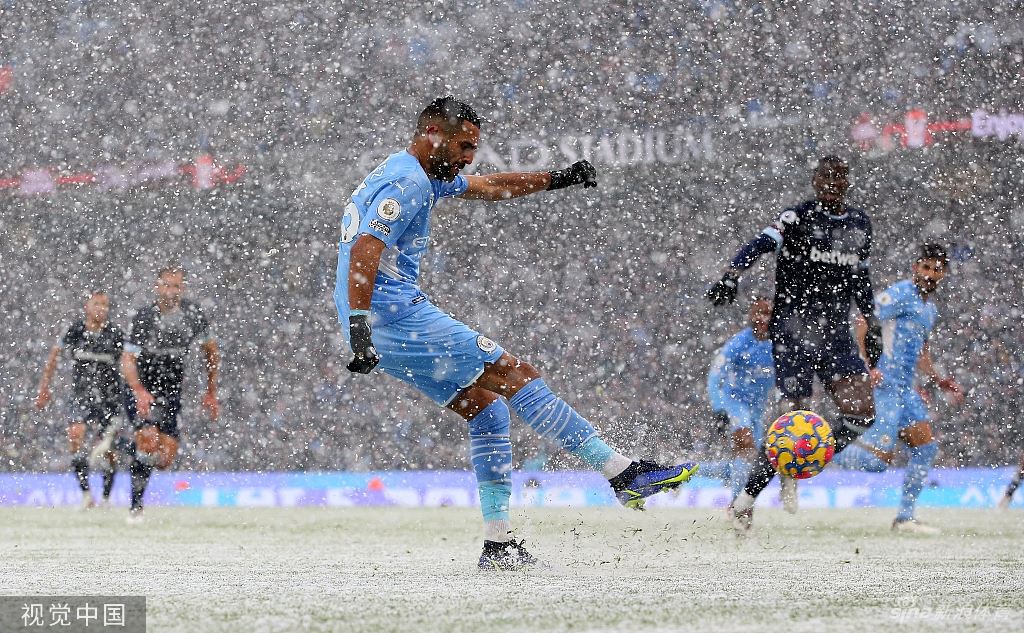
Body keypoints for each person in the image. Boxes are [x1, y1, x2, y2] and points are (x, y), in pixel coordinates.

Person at [336, 96, 698, 569]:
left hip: (378, 322)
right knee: (512, 372)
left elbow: (489, 186)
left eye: (473, 147)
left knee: (487, 412)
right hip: (391, 315)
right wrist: (363, 324)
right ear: (432, 133)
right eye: (464, 146)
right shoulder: (407, 181)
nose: (470, 157)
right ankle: (622, 471)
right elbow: (367, 246)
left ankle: (499, 544)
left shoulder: (414, 172)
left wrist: (555, 179)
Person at [707, 155, 882, 534]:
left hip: (835, 334)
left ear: (847, 183)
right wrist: (731, 276)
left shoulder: (859, 224)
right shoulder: (796, 217)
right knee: (789, 420)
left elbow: (861, 279)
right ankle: (745, 501)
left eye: (840, 177)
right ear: (815, 181)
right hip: (794, 331)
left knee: (862, 416)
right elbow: (759, 244)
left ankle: (799, 461)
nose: (833, 183)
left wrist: (873, 323)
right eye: (826, 176)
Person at [832, 244, 963, 533]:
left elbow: (922, 351)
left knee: (926, 449)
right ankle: (819, 451)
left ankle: (904, 518)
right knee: (877, 463)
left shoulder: (929, 308)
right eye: (926, 267)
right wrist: (866, 364)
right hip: (885, 385)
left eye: (937, 269)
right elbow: (864, 320)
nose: (931, 274)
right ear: (916, 267)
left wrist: (938, 378)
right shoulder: (900, 293)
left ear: (944, 274)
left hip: (906, 389)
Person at [121, 267, 219, 523]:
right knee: (148, 438)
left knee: (164, 459)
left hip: (171, 388)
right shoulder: (144, 318)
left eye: (176, 287)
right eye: (167, 285)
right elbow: (128, 359)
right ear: (158, 287)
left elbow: (211, 351)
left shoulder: (193, 315)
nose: (171, 292)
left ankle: (126, 446)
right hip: (143, 385)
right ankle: (135, 507)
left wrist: (210, 391)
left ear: (182, 289)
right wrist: (139, 391)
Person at [35, 291, 124, 508]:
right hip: (81, 395)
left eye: (105, 305)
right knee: (75, 437)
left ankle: (105, 497)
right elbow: (54, 354)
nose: (101, 309)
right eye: (97, 304)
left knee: (109, 451)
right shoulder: (75, 330)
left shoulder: (115, 334)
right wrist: (44, 388)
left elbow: (128, 363)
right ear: (87, 306)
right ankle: (86, 494)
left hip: (109, 399)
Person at [707, 297, 775, 499]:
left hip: (758, 407)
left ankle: (689, 472)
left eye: (766, 313)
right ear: (750, 316)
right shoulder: (740, 343)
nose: (761, 318)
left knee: (750, 459)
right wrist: (719, 409)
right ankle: (737, 506)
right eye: (757, 312)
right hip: (734, 402)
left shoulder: (780, 343)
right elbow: (714, 375)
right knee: (745, 444)